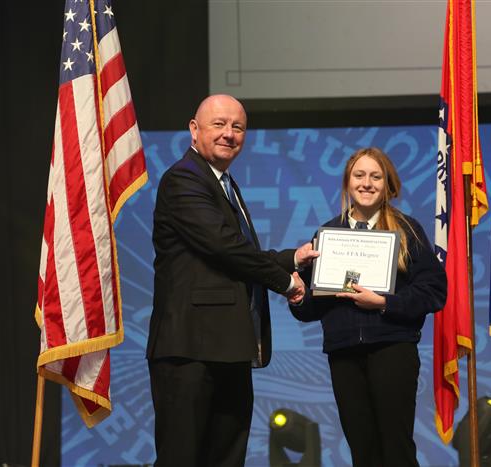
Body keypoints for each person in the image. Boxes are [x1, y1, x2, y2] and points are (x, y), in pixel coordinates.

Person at [147, 94, 318, 466]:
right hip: (190, 350)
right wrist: (286, 282)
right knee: (182, 458)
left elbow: (236, 252)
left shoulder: (224, 183)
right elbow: (224, 247)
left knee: (227, 458)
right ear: (194, 130)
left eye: (237, 127)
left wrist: (292, 258)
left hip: (229, 350)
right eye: (219, 124)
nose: (229, 134)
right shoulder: (183, 179)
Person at [288, 147, 447, 467]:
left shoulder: (407, 230)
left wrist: (384, 302)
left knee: (396, 450)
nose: (367, 183)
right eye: (359, 175)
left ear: (388, 184)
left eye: (376, 176)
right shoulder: (328, 234)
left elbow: (433, 291)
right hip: (344, 353)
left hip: (392, 349)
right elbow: (311, 306)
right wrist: (297, 295)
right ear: (348, 183)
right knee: (363, 451)